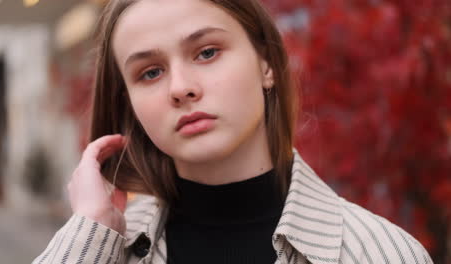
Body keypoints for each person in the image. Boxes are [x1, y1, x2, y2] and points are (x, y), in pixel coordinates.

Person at [33, 0, 433, 263]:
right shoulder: (108, 249)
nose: (180, 87)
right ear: (129, 105)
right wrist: (88, 229)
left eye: (207, 52)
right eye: (150, 72)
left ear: (266, 65)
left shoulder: (379, 253)